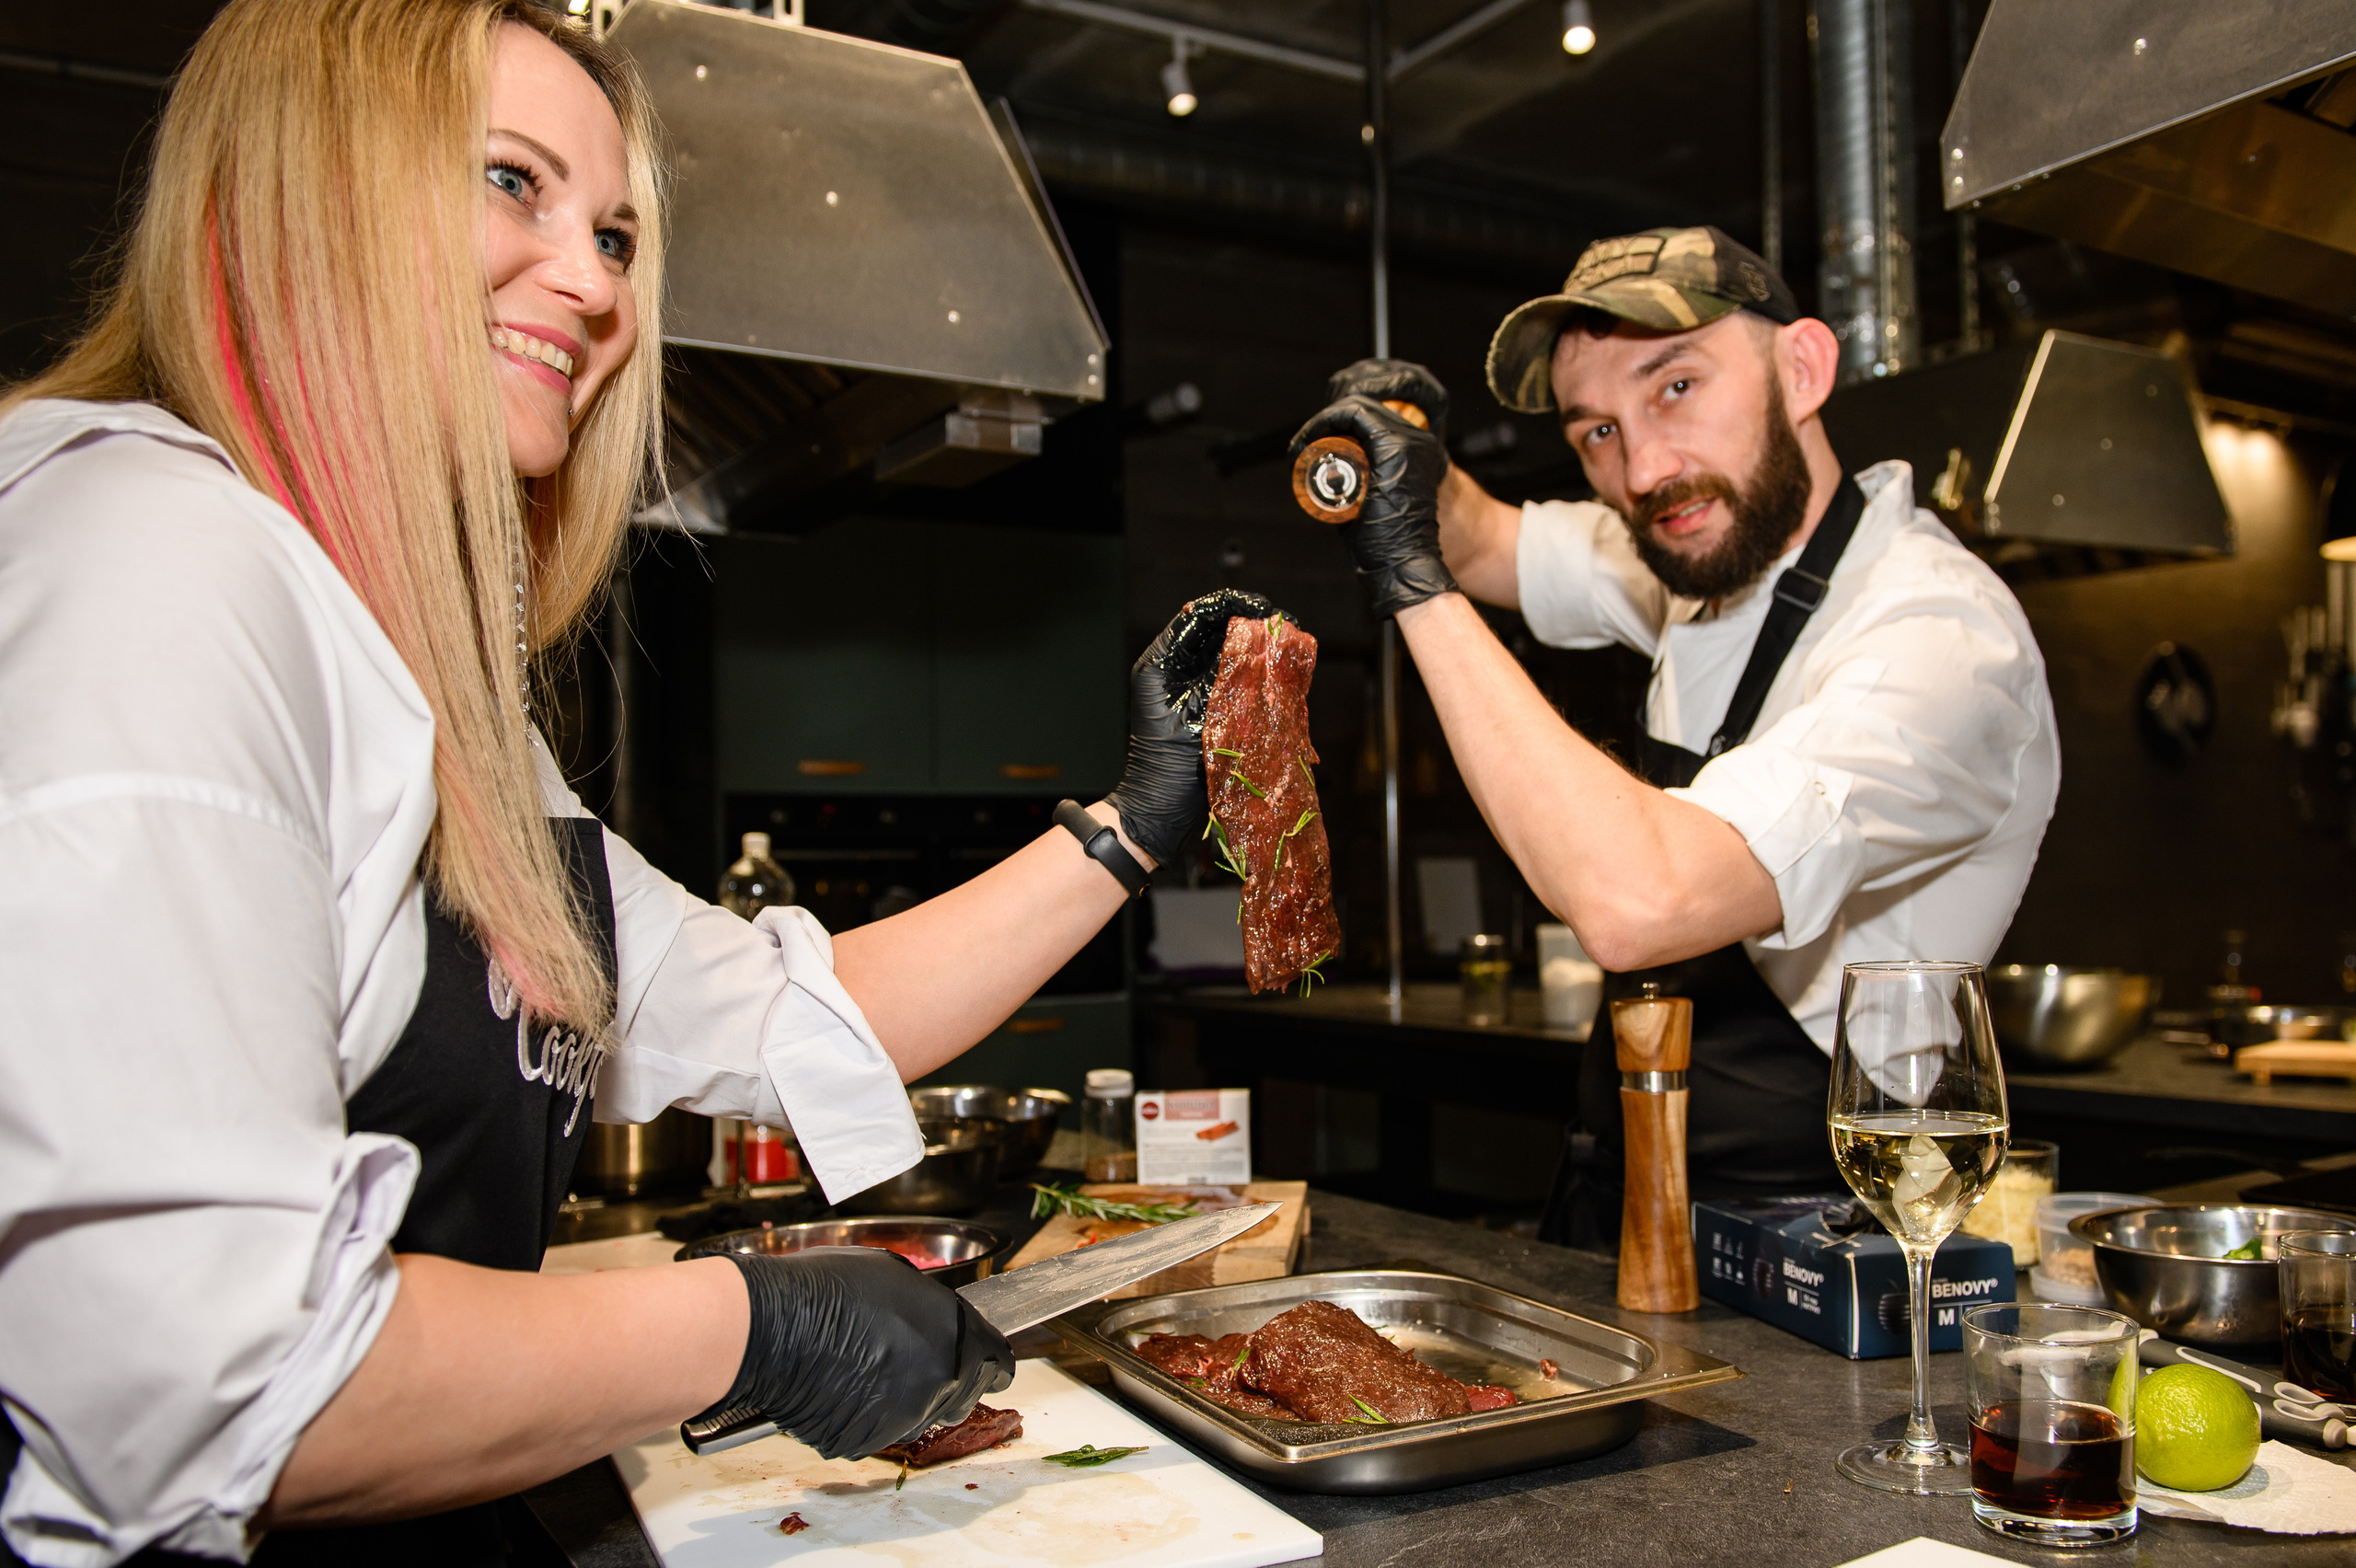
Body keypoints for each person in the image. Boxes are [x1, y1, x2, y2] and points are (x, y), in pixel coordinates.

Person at [0, 3, 1270, 1562]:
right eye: (510, 182)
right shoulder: (153, 569)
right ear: (299, 189)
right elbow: (208, 1371)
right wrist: (749, 1323)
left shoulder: (413, 673)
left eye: (612, 231)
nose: (598, 280)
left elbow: (783, 1011)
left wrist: (1132, 823)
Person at [1289, 225, 2059, 1241]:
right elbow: (1486, 539)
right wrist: (1405, 458)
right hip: (1615, 1183)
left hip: (1817, 1228)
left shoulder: (1938, 642)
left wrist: (1408, 583)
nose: (1645, 468)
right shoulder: (1699, 558)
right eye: (1596, 431)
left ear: (1803, 367)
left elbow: (1639, 902)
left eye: (1675, 388)